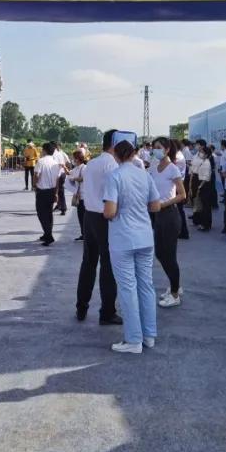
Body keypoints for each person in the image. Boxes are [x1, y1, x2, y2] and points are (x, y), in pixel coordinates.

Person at [103, 131, 162, 353]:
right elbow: (155, 206)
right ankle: (149, 335)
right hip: (145, 236)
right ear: (134, 153)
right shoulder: (145, 175)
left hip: (123, 239)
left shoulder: (115, 176)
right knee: (146, 286)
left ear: (116, 155)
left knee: (128, 289)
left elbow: (110, 212)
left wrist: (111, 211)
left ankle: (133, 340)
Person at [76, 130, 122, 325]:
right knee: (108, 265)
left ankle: (81, 306)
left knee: (88, 263)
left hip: (90, 216)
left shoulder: (92, 163)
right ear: (114, 143)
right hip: (105, 218)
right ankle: (107, 312)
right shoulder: (112, 165)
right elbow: (116, 193)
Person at [150, 136, 187, 308]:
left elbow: (182, 195)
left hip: (170, 214)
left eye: (158, 147)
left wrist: (163, 204)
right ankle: (175, 285)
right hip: (158, 215)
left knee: (170, 256)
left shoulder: (173, 169)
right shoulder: (153, 167)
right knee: (160, 252)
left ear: (166, 150)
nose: (155, 150)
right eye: (154, 147)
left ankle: (175, 294)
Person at [34, 142, 61, 246]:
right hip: (52, 190)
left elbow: (36, 175)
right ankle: (47, 233)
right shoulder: (55, 163)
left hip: (42, 191)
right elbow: (57, 179)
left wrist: (34, 185)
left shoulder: (41, 161)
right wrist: (56, 193)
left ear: (44, 150)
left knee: (42, 214)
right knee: (49, 213)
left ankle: (49, 236)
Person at [192, 144, 216, 231]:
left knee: (205, 206)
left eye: (202, 152)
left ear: (206, 154)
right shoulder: (204, 161)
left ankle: (205, 225)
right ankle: (204, 223)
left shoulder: (206, 163)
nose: (200, 154)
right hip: (203, 185)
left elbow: (205, 178)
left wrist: (199, 187)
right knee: (204, 205)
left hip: (205, 186)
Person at [171, 140, 191, 240]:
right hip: (177, 185)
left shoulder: (177, 157)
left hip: (177, 186)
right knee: (178, 210)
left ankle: (183, 231)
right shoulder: (178, 155)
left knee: (179, 210)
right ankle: (182, 231)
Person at [69, 149, 89, 241]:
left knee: (84, 217)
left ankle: (86, 235)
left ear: (77, 159)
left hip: (84, 196)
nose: (73, 160)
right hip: (78, 195)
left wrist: (74, 179)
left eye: (74, 158)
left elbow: (84, 178)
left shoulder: (84, 168)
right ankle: (83, 234)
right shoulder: (76, 168)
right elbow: (70, 174)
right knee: (80, 217)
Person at [52, 143, 71, 214]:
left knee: (58, 191)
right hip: (62, 173)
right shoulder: (61, 153)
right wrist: (67, 169)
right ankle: (60, 205)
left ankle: (63, 207)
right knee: (60, 191)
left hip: (57, 174)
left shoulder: (54, 153)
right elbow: (68, 162)